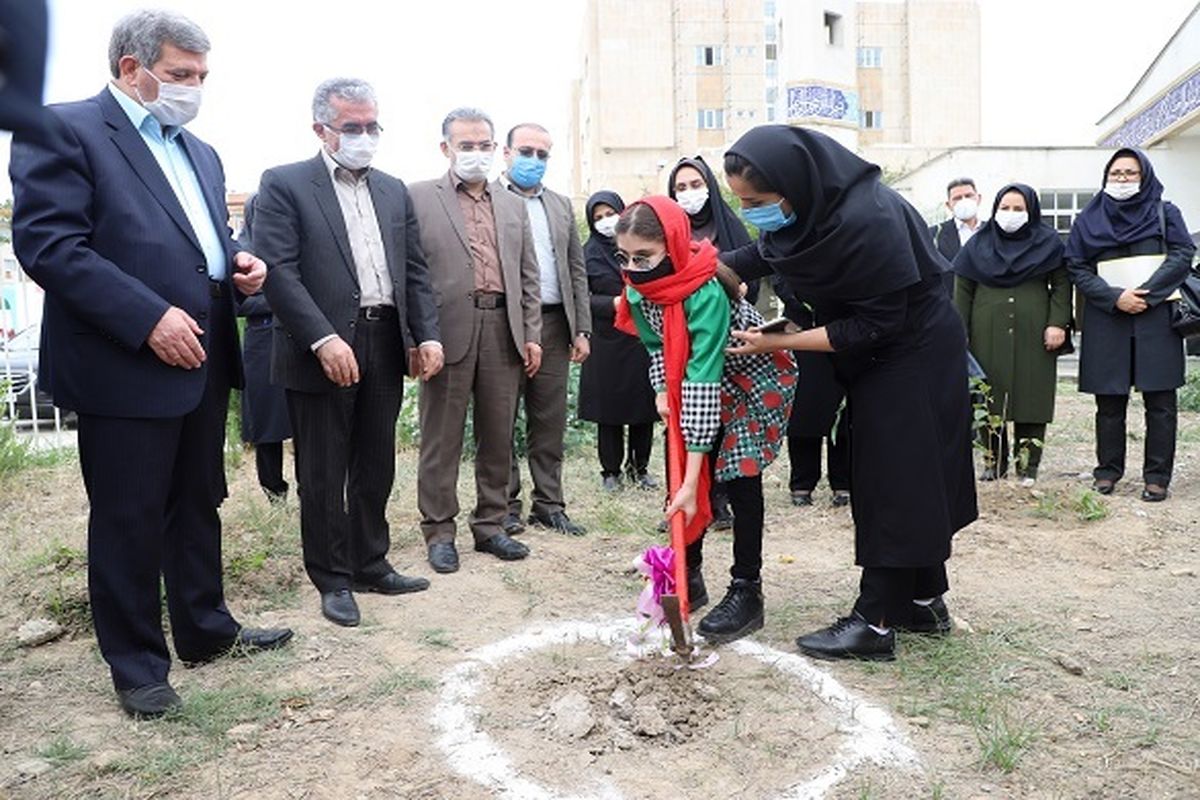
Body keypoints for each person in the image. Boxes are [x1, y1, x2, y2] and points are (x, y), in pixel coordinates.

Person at [9, 9, 293, 717]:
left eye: (201, 76)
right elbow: (51, 246)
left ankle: (205, 629)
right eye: (178, 75)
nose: (193, 88)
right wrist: (146, 318)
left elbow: (200, 245)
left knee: (198, 503)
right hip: (124, 362)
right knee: (129, 516)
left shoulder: (200, 152)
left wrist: (238, 268)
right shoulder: (65, 130)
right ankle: (137, 666)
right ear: (131, 69)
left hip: (200, 353)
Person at [722, 125, 977, 662]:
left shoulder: (869, 220)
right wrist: (691, 264)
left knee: (892, 479)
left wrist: (782, 340)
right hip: (887, 352)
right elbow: (759, 254)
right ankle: (926, 603)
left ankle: (876, 622)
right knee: (914, 476)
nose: (751, 212)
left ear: (795, 184)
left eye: (758, 202)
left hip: (913, 352)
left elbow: (874, 326)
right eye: (741, 202)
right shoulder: (812, 212)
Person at [256, 78, 440, 627]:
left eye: (372, 126)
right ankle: (332, 578)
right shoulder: (286, 184)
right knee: (322, 467)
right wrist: (322, 338)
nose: (364, 137)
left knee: (375, 458)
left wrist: (425, 334)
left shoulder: (391, 189)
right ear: (322, 130)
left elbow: (413, 271)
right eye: (352, 127)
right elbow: (278, 272)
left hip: (384, 338)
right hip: (322, 344)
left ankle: (370, 562)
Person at [614, 196, 796, 643]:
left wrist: (694, 482)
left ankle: (747, 591)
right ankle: (687, 575)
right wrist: (660, 390)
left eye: (644, 257)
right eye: (626, 257)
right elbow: (658, 346)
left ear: (672, 247)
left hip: (749, 376)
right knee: (684, 473)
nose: (634, 267)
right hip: (695, 373)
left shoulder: (704, 290)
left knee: (736, 474)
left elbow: (703, 378)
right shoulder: (639, 288)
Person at [409, 107, 541, 574]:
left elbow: (528, 274)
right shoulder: (419, 198)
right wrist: (418, 337)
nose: (477, 153)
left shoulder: (512, 205)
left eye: (484, 145)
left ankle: (491, 526)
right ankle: (439, 532)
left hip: (503, 330)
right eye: (467, 145)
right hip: (444, 334)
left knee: (498, 435)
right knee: (441, 439)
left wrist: (531, 334)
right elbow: (411, 275)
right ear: (446, 148)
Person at [1065, 149, 1195, 502]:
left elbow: (1183, 254)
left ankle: (1157, 478)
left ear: (1145, 175)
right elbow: (1076, 265)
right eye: (1116, 173)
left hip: (1157, 317)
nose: (1122, 179)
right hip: (1109, 317)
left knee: (1161, 402)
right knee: (1109, 402)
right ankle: (1107, 472)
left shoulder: (1165, 213)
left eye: (1130, 173)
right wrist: (1115, 297)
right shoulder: (1089, 219)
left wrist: (1146, 294)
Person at [500, 123, 592, 536]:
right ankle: (504, 505)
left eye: (543, 154)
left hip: (556, 323)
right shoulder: (489, 200)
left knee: (549, 419)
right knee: (500, 418)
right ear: (506, 153)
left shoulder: (558, 205)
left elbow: (576, 269)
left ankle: (549, 504)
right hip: (505, 324)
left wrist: (582, 329)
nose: (534, 160)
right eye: (526, 151)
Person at [953, 184, 1071, 485]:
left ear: (1031, 212)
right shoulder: (978, 244)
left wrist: (1058, 323)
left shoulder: (1049, 243)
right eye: (1005, 208)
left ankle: (1027, 467)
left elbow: (1061, 284)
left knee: (1033, 397)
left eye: (1019, 209)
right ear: (994, 209)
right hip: (985, 329)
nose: (1011, 214)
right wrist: (959, 332)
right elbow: (963, 290)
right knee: (987, 396)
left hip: (1035, 329)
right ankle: (994, 463)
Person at [667, 155, 758, 530]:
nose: (689, 194)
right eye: (680, 188)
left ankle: (720, 501)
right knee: (684, 421)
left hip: (727, 344)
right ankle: (682, 496)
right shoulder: (666, 233)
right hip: (682, 344)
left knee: (721, 424)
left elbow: (748, 282)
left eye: (696, 185)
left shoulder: (731, 228)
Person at [577, 191, 659, 491]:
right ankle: (610, 471)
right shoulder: (587, 255)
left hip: (641, 335)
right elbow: (580, 297)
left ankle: (640, 469)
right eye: (597, 217)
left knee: (643, 405)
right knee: (608, 409)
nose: (605, 222)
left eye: (609, 213)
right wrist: (611, 303)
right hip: (606, 339)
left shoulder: (641, 247)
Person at [234, 194, 292, 503]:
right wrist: (288, 298)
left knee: (308, 420)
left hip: (298, 340)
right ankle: (274, 494)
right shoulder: (242, 254)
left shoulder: (294, 248)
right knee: (267, 426)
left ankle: (313, 489)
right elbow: (240, 302)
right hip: (262, 341)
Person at [774, 276, 851, 507]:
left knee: (842, 409)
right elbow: (779, 275)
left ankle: (843, 482)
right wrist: (799, 300)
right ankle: (802, 482)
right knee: (804, 409)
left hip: (839, 327)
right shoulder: (791, 242)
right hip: (799, 328)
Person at [931, 178, 983, 295]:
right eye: (957, 198)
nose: (964, 201)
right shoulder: (935, 234)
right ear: (949, 205)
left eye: (968, 195)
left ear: (978, 199)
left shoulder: (992, 231)